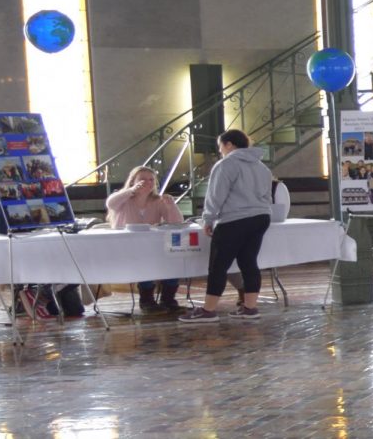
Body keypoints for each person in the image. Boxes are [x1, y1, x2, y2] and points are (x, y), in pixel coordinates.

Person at [179, 129, 272, 322]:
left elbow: (216, 195)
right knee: (249, 262)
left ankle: (209, 310)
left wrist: (208, 219)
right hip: (261, 217)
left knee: (218, 266)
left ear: (229, 144)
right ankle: (250, 307)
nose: (220, 151)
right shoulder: (261, 167)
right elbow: (267, 196)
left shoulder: (226, 164)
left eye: (221, 146)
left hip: (234, 220)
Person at [106, 166, 185, 312]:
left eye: (151, 180)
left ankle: (168, 299)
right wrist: (132, 191)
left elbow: (177, 223)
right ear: (132, 181)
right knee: (145, 261)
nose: (148, 183)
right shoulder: (122, 198)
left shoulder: (158, 201)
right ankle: (147, 300)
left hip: (153, 246)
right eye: (142, 180)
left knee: (174, 258)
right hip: (127, 247)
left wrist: (171, 206)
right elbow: (110, 203)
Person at [226, 178, 291, 306]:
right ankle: (243, 290)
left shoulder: (276, 187)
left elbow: (282, 212)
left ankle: (248, 295)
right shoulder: (232, 187)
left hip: (266, 233)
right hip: (239, 230)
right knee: (226, 257)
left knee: (246, 259)